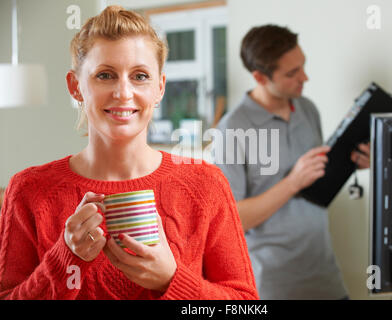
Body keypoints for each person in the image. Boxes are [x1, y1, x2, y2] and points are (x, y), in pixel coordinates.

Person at [0, 6, 258, 300]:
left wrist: (172, 281)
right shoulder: (28, 190)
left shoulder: (206, 183)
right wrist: (64, 261)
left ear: (159, 88)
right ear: (76, 87)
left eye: (140, 76)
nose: (123, 92)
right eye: (105, 75)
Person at [214, 24, 370, 299]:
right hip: (274, 286)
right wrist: (292, 182)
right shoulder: (233, 128)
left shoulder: (307, 109)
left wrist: (351, 163)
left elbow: (316, 182)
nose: (304, 77)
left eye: (303, 66)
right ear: (260, 77)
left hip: (326, 277)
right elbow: (232, 220)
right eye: (292, 73)